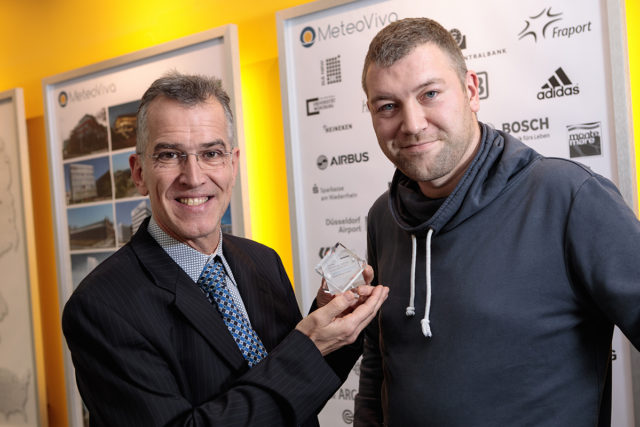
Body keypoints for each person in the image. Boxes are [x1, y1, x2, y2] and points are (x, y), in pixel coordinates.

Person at [355, 17, 640, 426]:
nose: (412, 124)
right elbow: (379, 360)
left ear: (471, 90)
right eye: (387, 106)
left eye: (430, 93)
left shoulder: (568, 196)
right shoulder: (384, 217)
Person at [62, 71, 388, 426]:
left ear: (232, 165)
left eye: (211, 153)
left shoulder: (262, 261)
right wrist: (308, 347)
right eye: (170, 155)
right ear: (139, 173)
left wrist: (335, 325)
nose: (194, 176)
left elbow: (293, 393)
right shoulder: (100, 307)